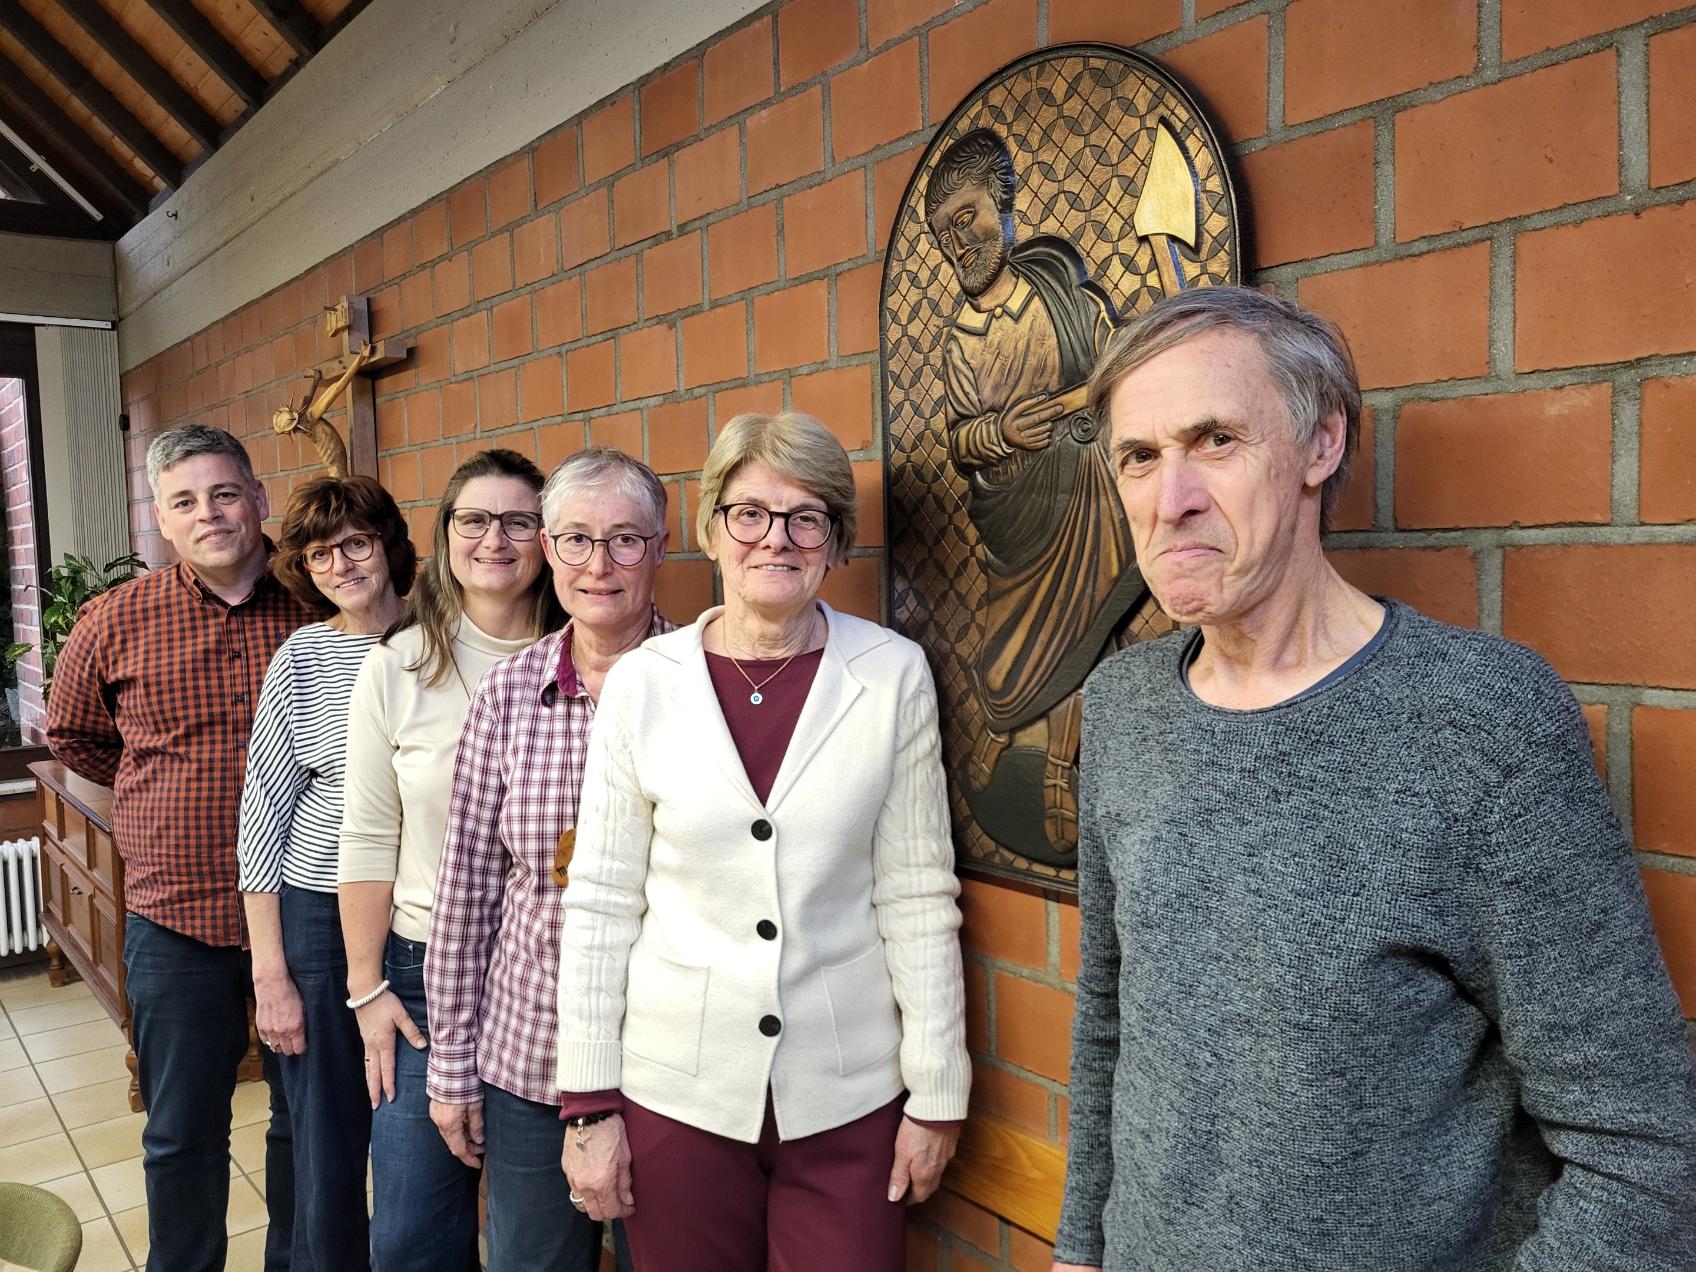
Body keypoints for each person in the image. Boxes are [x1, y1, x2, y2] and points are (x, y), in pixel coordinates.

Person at [1053, 285, 1696, 1272]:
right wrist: (1078, 1252)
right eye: (1138, 456)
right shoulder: (1124, 705)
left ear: (1321, 447)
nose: (1167, 495)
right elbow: (1108, 1019)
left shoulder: (1483, 722)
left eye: (1214, 440)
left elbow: (1645, 1151)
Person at [556, 411, 971, 1272]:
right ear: (710, 530)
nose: (774, 539)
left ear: (834, 542)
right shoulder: (644, 684)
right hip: (678, 1097)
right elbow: (600, 901)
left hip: (848, 1101)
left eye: (805, 517)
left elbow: (918, 893)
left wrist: (937, 1094)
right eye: (749, 513)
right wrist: (589, 1108)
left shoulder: (890, 674)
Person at [46, 424, 312, 1272]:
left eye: (225, 493)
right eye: (186, 501)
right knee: (180, 1132)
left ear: (259, 499)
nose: (210, 514)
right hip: (176, 925)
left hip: (308, 921)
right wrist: (148, 808)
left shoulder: (320, 605)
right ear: (162, 518)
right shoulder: (114, 620)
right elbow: (77, 740)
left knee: (302, 1124)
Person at [424, 449, 674, 1271]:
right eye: (574, 540)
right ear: (548, 552)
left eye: (625, 540)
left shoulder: (705, 683)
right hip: (530, 1057)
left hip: (669, 1063)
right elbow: (467, 894)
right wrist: (452, 1067)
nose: (598, 565)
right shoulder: (507, 694)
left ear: (662, 546)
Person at [338, 448, 563, 1271]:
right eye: (474, 520)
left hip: (552, 972)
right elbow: (365, 838)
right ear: (445, 536)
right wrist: (367, 990)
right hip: (426, 969)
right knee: (408, 1235)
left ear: (549, 538)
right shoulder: (397, 668)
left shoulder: (596, 659)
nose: (495, 539)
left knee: (536, 1230)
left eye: (519, 521)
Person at [925, 127, 1147, 860]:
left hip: (1088, 494)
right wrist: (1000, 433)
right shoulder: (962, 337)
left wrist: (1087, 402)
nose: (959, 243)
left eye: (968, 218)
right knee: (1012, 647)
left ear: (1004, 204)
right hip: (1018, 516)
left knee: (1086, 645)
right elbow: (958, 439)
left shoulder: (1062, 291)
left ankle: (1057, 775)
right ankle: (996, 739)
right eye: (943, 233)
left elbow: (1120, 377)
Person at [237, 476, 415, 1270]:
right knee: (326, 1139)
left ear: (387, 544)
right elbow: (262, 816)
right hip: (315, 916)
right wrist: (270, 973)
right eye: (319, 554)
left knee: (413, 1127)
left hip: (417, 911)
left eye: (356, 543)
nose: (340, 565)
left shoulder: (438, 640)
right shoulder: (303, 657)